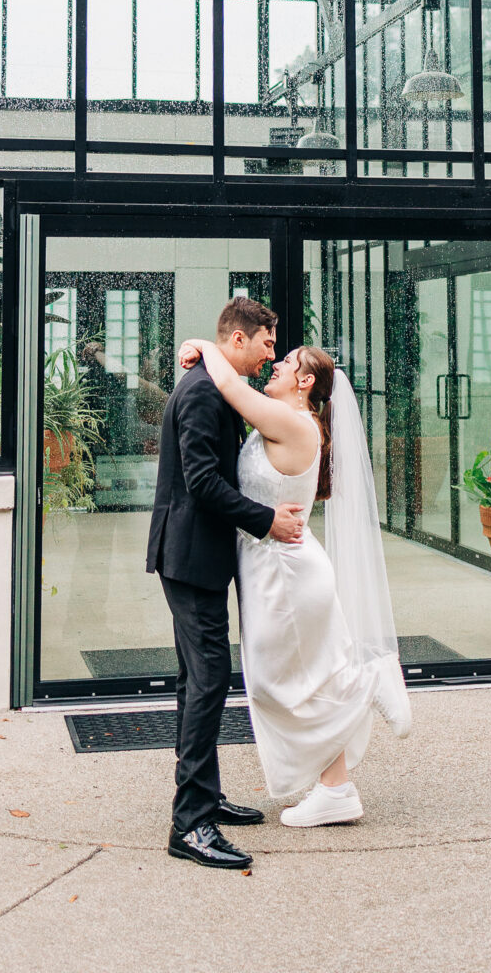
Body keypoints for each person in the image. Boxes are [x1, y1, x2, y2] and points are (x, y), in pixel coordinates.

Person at [177, 332, 411, 829]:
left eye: (286, 361)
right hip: (274, 568)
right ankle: (335, 789)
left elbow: (228, 385)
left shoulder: (291, 420)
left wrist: (203, 344)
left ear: (305, 382)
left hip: (285, 573)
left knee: (271, 685)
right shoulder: (281, 418)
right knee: (303, 681)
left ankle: (368, 681)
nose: (276, 364)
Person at [145, 298, 305, 871]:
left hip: (198, 556)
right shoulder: (203, 392)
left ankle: (204, 797)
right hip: (190, 558)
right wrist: (266, 520)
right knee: (209, 679)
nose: (270, 354)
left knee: (197, 680)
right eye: (267, 343)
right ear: (239, 339)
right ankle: (190, 824)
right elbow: (202, 482)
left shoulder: (214, 383)